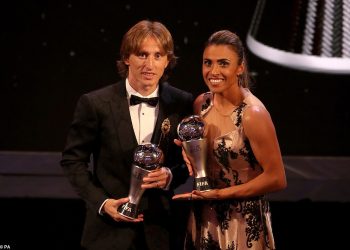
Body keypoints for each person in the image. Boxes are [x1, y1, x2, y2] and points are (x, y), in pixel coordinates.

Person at [60, 20, 193, 250]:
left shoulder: (182, 103)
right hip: (107, 234)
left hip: (161, 233)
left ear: (167, 62)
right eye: (142, 54)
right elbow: (73, 161)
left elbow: (188, 162)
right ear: (126, 58)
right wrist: (103, 203)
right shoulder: (95, 103)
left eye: (158, 55)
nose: (149, 64)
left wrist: (170, 175)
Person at [173, 30, 287, 249]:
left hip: (243, 224)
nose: (213, 71)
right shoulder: (201, 105)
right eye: (208, 63)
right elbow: (199, 152)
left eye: (223, 63)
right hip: (204, 219)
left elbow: (277, 178)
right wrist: (187, 151)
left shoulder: (253, 113)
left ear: (240, 67)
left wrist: (220, 195)